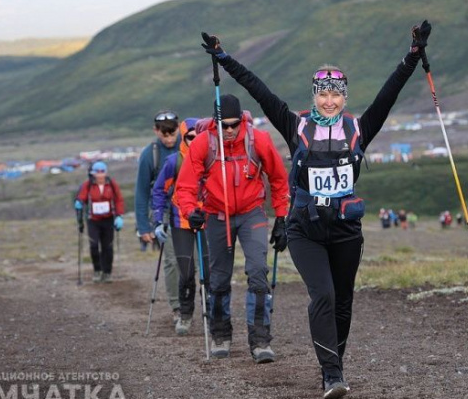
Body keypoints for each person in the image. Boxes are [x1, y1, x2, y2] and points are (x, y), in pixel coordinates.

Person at [200, 20, 431, 398]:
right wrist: (224, 58)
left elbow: (390, 93)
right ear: (315, 96)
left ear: (344, 97)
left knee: (343, 303)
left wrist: (413, 55)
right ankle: (331, 376)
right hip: (304, 229)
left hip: (345, 231)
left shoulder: (359, 129)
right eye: (323, 94)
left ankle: (334, 368)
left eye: (336, 95)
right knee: (322, 296)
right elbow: (259, 90)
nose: (329, 101)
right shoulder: (296, 126)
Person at [176, 94, 289, 364]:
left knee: (259, 273)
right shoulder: (204, 142)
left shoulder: (258, 140)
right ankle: (220, 335)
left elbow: (279, 179)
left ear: (242, 120)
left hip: (252, 214)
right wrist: (191, 211)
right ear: (215, 122)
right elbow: (185, 186)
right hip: (216, 215)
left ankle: (260, 340)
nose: (229, 130)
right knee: (218, 279)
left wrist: (282, 218)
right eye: (223, 124)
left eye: (233, 124)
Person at [151, 118, 210, 336]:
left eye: (199, 137)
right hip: (180, 223)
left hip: (208, 221)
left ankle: (213, 313)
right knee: (186, 273)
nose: (195, 141)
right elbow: (158, 191)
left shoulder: (211, 158)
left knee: (210, 272)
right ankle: (185, 315)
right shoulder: (173, 162)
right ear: (183, 137)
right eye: (190, 137)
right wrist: (158, 219)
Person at [135, 110, 182, 325]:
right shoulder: (149, 154)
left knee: (196, 262)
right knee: (171, 261)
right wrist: (144, 226)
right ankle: (177, 307)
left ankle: (204, 303)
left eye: (173, 132)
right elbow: (142, 192)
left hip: (191, 211)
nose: (169, 137)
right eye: (165, 133)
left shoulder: (188, 145)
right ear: (156, 131)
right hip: (164, 213)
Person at [74, 161, 125, 283]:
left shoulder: (112, 184)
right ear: (93, 174)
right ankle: (97, 270)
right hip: (93, 220)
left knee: (108, 246)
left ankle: (107, 272)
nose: (100, 175)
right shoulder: (88, 185)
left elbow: (119, 200)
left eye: (103, 172)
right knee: (94, 245)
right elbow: (82, 197)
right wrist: (79, 203)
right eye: (98, 172)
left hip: (108, 220)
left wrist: (119, 216)